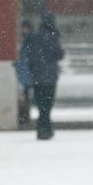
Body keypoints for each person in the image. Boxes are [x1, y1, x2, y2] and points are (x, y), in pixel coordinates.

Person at [28, 12, 65, 140]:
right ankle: (46, 128)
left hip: (37, 76)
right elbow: (58, 54)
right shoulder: (53, 36)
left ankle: (42, 128)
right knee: (47, 104)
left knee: (40, 104)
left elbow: (30, 55)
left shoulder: (34, 36)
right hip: (50, 76)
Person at [13, 20, 35, 127]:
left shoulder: (26, 42)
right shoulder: (28, 41)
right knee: (24, 98)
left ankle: (24, 119)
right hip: (25, 73)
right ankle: (24, 118)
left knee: (25, 98)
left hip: (25, 73)